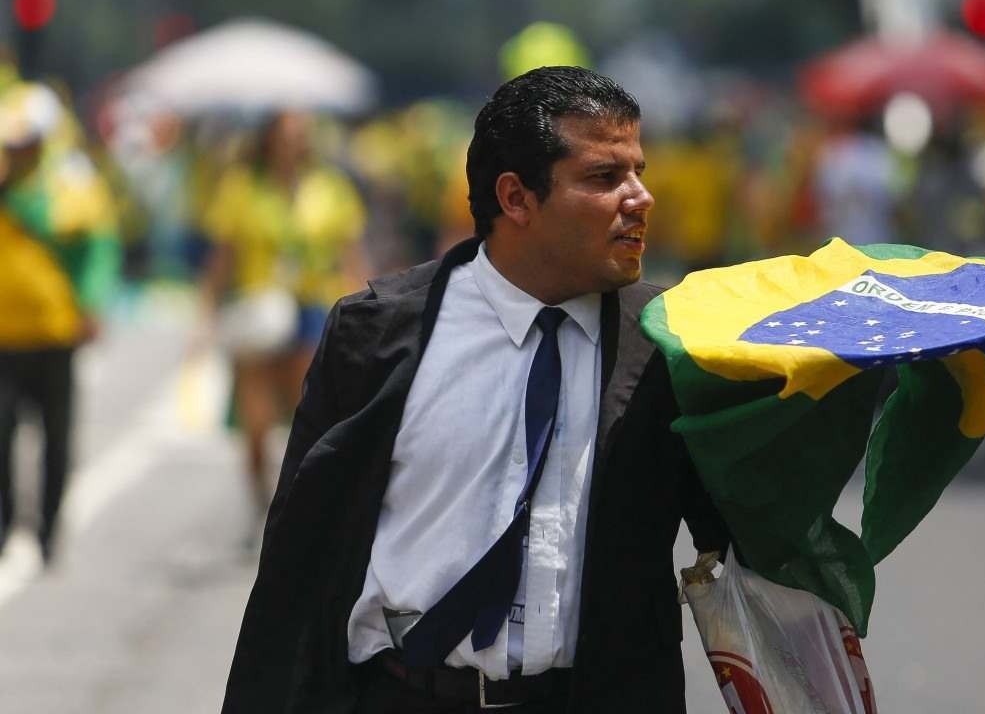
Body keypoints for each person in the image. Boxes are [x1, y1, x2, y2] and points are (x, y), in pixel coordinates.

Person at [222, 67, 729, 713]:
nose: (641, 197)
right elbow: (300, 558)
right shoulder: (377, 333)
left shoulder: (668, 343)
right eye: (605, 178)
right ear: (516, 198)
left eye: (639, 171)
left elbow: (747, 531)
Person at [197, 110, 370, 535]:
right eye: (287, 134)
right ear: (269, 139)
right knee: (255, 423)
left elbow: (350, 252)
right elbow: (224, 255)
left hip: (313, 306)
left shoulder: (329, 188)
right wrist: (206, 312)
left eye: (301, 135)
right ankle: (260, 504)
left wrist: (366, 305)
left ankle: (301, 509)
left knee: (305, 416)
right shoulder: (242, 188)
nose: (294, 142)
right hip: (258, 308)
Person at [0, 82, 120, 564]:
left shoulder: (67, 184)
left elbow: (94, 245)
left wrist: (91, 305)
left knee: (55, 438)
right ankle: (6, 523)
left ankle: (49, 529)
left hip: (53, 331)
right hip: (5, 334)